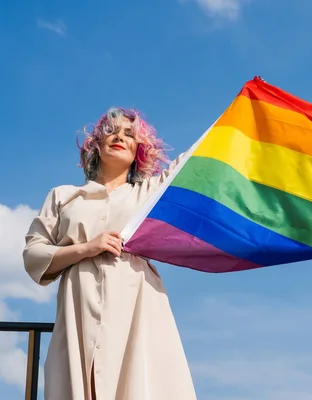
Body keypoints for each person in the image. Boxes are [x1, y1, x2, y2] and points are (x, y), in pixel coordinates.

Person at [22, 108, 197, 400]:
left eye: (130, 134)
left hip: (136, 309)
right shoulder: (63, 196)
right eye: (111, 131)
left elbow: (195, 163)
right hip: (78, 311)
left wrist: (238, 114)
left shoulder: (149, 193)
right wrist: (86, 248)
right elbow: (34, 254)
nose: (119, 137)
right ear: (96, 145)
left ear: (139, 150)